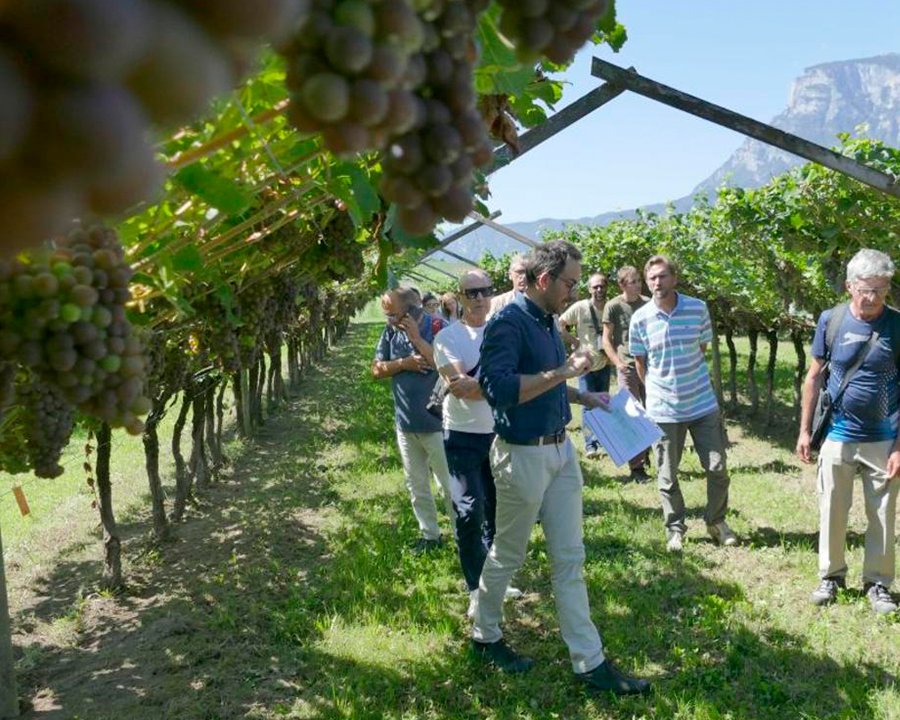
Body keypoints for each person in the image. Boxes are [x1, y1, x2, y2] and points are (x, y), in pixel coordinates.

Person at [473, 240, 651, 696]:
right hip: (522, 456)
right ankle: (485, 632)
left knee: (570, 559)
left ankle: (589, 661)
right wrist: (563, 376)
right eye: (570, 283)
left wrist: (581, 395)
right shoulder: (507, 323)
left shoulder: (548, 320)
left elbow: (545, 382)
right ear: (545, 279)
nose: (574, 292)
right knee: (508, 554)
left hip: (560, 451)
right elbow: (500, 390)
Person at [796, 248, 900, 615]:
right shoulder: (832, 320)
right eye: (866, 289)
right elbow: (814, 376)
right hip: (838, 434)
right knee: (832, 509)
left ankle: (878, 583)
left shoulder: (897, 325)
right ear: (849, 286)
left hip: (884, 437)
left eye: (881, 289)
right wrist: (805, 430)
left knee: (883, 515)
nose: (873, 298)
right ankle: (831, 576)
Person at [629, 255, 737, 553]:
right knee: (667, 475)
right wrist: (655, 392)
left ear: (674, 278)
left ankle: (716, 522)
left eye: (662, 276)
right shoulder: (640, 319)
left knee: (717, 468)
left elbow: (700, 350)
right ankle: (675, 528)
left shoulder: (697, 308)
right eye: (652, 278)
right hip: (663, 408)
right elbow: (641, 362)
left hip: (702, 403)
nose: (657, 283)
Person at [433, 270, 521, 615]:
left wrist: (490, 383)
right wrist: (503, 383)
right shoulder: (448, 338)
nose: (479, 298)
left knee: (497, 511)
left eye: (484, 291)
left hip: (501, 432)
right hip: (463, 435)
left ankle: (493, 580)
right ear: (461, 296)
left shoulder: (504, 330)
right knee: (468, 510)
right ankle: (475, 588)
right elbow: (461, 390)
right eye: (471, 293)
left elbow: (487, 383)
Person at [372, 287, 453, 552]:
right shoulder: (390, 332)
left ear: (411, 311)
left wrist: (417, 338)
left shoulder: (440, 326)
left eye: (393, 315)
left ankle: (463, 535)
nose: (390, 320)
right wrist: (403, 363)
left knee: (450, 485)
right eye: (387, 316)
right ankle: (430, 536)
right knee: (416, 484)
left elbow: (446, 366)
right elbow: (376, 369)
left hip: (439, 423)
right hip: (406, 423)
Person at [602, 266, 651, 481]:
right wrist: (618, 362)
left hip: (649, 366)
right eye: (633, 281)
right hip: (628, 366)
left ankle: (650, 454)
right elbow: (606, 339)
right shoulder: (613, 306)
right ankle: (637, 467)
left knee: (652, 412)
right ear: (622, 284)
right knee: (631, 414)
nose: (638, 285)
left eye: (639, 281)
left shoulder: (649, 303)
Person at [559, 272, 611, 459]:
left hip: (605, 363)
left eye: (602, 286)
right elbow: (560, 324)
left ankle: (604, 441)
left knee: (604, 402)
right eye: (595, 286)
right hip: (586, 365)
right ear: (589, 289)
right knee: (588, 404)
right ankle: (591, 445)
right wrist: (573, 340)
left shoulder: (610, 307)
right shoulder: (581, 307)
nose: (598, 290)